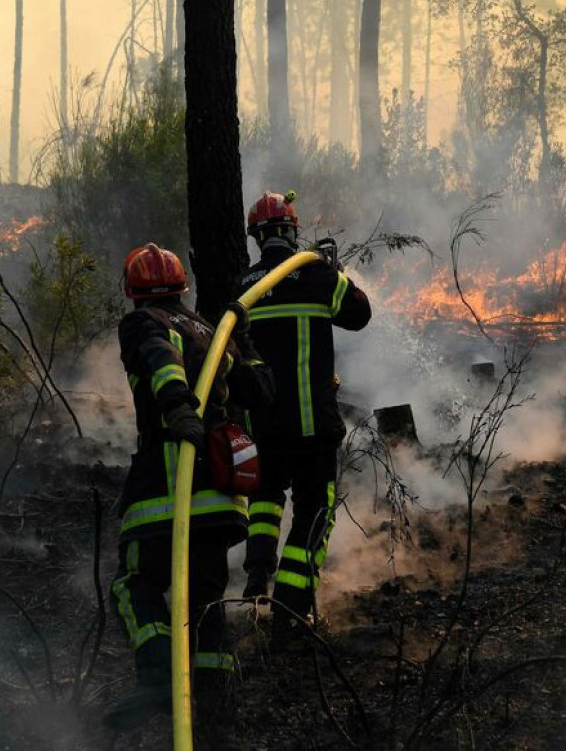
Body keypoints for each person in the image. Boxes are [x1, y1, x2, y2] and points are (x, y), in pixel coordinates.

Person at [105, 243, 274, 730]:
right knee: (205, 602)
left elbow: (161, 361)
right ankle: (213, 704)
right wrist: (246, 342)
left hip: (166, 488)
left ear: (132, 292)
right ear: (183, 286)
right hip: (220, 501)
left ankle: (159, 677)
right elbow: (260, 392)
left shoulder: (142, 324)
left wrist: (178, 407)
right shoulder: (208, 330)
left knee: (134, 583)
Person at [237, 192, 372, 642]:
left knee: (265, 500)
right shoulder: (316, 275)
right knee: (315, 512)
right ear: (293, 232)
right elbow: (359, 315)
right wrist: (336, 271)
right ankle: (291, 614)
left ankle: (256, 583)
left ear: (257, 237)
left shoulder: (243, 287)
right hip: (312, 427)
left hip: (265, 427)